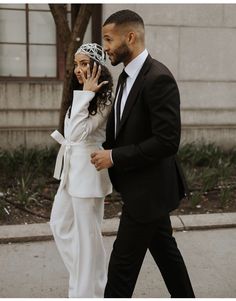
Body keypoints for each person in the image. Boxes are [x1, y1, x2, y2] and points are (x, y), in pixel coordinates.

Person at [91, 10, 195, 298]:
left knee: (121, 270)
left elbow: (167, 141)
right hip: (144, 191)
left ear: (131, 37)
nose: (106, 47)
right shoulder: (124, 77)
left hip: (148, 193)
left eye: (109, 39)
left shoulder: (158, 78)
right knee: (167, 256)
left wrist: (114, 157)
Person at [50, 43, 113, 298]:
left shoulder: (105, 97)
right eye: (77, 64)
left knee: (88, 239)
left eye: (84, 63)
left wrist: (86, 94)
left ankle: (86, 292)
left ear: (98, 67)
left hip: (88, 173)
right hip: (70, 172)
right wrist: (83, 93)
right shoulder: (81, 93)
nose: (79, 69)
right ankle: (88, 279)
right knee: (59, 224)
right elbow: (71, 135)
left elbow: (76, 133)